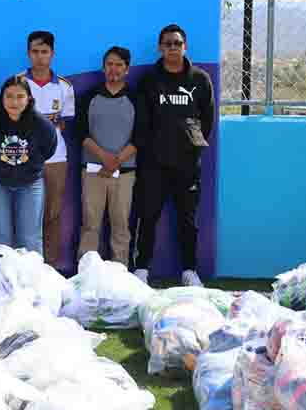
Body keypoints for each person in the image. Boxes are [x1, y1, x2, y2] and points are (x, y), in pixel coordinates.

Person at [133, 24, 214, 287]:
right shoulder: (148, 80)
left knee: (187, 221)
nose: (172, 48)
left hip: (187, 165)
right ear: (160, 47)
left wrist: (192, 148)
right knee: (147, 216)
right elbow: (141, 123)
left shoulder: (200, 80)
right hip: (153, 165)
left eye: (177, 43)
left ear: (185, 46)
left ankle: (189, 271)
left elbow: (208, 121)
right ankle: (142, 269)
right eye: (168, 43)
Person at [75, 46, 146, 265]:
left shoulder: (136, 97)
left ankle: (120, 272)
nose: (113, 69)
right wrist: (103, 157)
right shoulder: (90, 96)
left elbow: (141, 135)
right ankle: (86, 273)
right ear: (104, 67)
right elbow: (80, 132)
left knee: (120, 224)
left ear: (127, 69)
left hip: (124, 173)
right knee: (90, 224)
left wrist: (116, 161)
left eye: (118, 65)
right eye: (109, 64)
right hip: (93, 171)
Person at [0, 76, 57, 254]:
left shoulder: (42, 125)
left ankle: (31, 280)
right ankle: (4, 279)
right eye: (9, 96)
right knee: (1, 237)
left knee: (30, 238)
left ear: (29, 99)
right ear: (1, 98)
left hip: (30, 183)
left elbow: (48, 150)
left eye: (20, 97)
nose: (14, 102)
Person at [19, 31, 75, 269]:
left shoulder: (64, 86)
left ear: (52, 54)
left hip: (55, 158)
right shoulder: (18, 82)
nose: (39, 57)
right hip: (21, 157)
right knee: (24, 213)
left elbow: (65, 122)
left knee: (52, 213)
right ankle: (24, 265)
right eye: (35, 51)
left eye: (44, 52)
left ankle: (49, 265)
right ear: (28, 53)